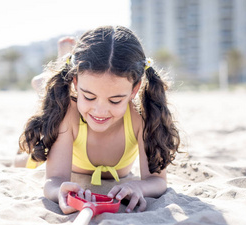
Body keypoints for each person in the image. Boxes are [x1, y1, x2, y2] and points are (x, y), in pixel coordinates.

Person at [17, 26, 181, 214]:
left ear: (134, 90)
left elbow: (158, 180)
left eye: (115, 100)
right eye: (89, 97)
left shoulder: (141, 117)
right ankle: (53, 73)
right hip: (66, 121)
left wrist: (139, 187)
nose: (100, 111)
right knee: (26, 158)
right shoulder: (67, 114)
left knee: (61, 95)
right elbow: (53, 180)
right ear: (76, 83)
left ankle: (58, 74)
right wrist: (58, 191)